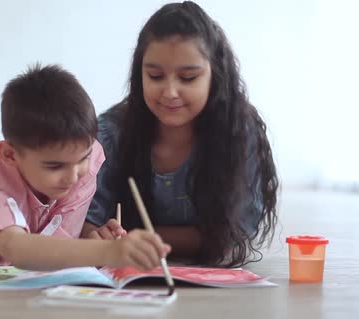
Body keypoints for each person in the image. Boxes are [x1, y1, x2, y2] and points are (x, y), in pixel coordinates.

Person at [82, 1, 279, 267]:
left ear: (215, 76)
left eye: (188, 78)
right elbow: (85, 223)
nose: (170, 92)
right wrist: (96, 236)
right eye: (155, 76)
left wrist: (140, 239)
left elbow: (236, 229)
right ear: (139, 75)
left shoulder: (238, 131)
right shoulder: (109, 134)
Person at [0, 64, 169, 271]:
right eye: (54, 166)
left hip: (41, 226)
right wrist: (105, 252)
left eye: (81, 158)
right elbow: (14, 250)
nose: (73, 177)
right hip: (1, 233)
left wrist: (90, 237)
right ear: (10, 155)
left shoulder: (88, 162)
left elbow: (59, 242)